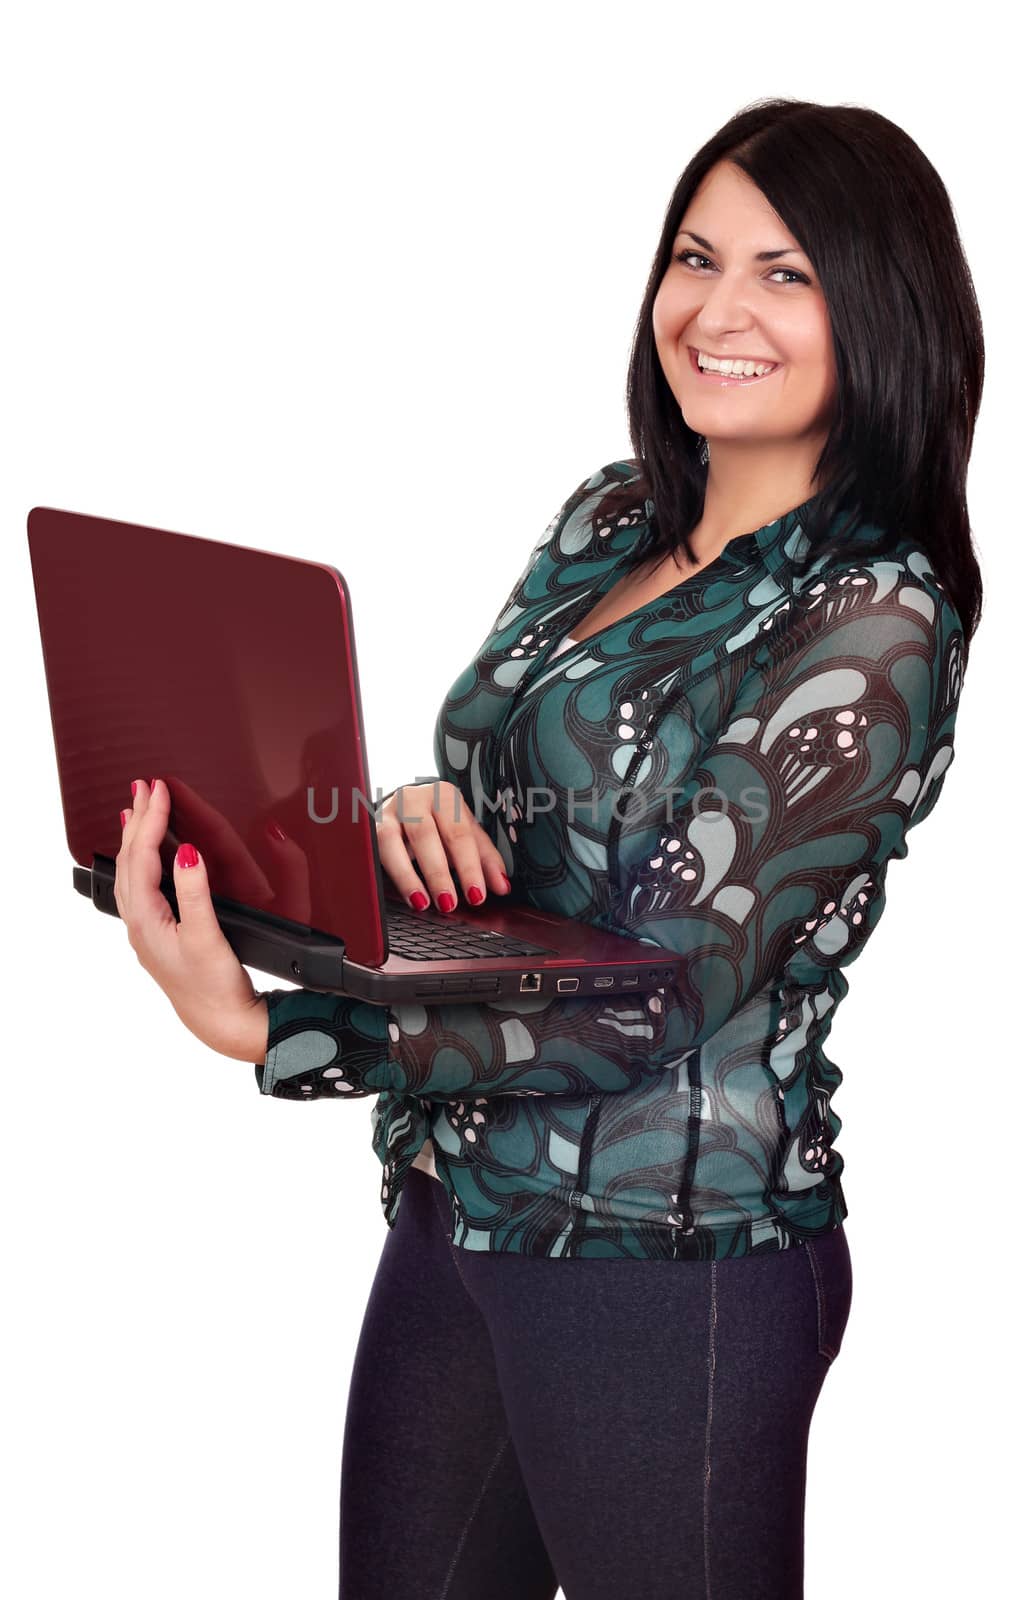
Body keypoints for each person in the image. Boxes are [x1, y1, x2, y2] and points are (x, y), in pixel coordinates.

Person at [114, 97, 982, 1600]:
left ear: (880, 312)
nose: (717, 311)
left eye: (786, 273)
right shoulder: (608, 519)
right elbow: (526, 839)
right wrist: (401, 834)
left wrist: (275, 1031)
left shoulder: (874, 621)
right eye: (695, 257)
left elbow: (654, 991)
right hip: (462, 1204)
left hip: (671, 1258)